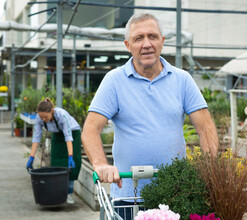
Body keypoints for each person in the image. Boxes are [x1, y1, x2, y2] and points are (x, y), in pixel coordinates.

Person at [81, 12, 219, 201]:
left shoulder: (182, 80)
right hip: (129, 196)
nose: (147, 44)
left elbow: (205, 127)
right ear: (128, 46)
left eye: (152, 36)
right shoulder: (114, 81)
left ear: (162, 41)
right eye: (138, 38)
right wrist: (100, 164)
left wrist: (208, 169)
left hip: (175, 193)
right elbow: (90, 130)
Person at [26, 98, 82, 204]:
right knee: (56, 162)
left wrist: (70, 156)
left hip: (72, 133)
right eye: (41, 117)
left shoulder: (62, 115)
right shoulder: (39, 118)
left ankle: (69, 194)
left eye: (45, 117)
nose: (43, 119)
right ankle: (58, 192)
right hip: (57, 135)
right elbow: (36, 137)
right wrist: (31, 157)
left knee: (71, 166)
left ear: (52, 111)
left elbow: (68, 135)